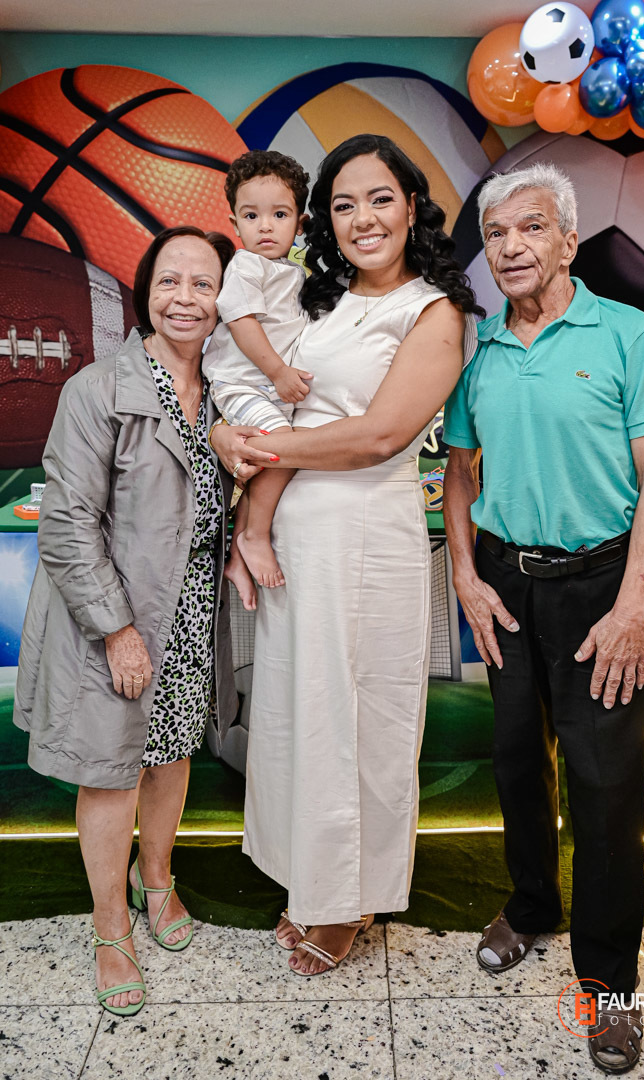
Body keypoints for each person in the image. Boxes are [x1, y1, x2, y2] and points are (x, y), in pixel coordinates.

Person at [211, 133, 481, 977]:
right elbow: (259, 383)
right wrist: (230, 438)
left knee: (361, 720)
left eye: (379, 198)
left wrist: (259, 446)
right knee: (299, 712)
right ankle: (309, 879)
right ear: (321, 221)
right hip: (297, 540)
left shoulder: (432, 311)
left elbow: (378, 436)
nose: (362, 217)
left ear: (411, 206)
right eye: (342, 204)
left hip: (367, 541)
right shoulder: (316, 300)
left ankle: (348, 900)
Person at [442, 163, 644, 1075]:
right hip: (506, 582)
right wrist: (465, 576)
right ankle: (532, 905)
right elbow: (458, 471)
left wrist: (631, 604)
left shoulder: (626, 335)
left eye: (530, 227)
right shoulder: (479, 350)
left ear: (569, 241)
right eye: (495, 234)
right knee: (515, 763)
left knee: (604, 784)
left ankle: (609, 986)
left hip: (600, 589)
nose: (510, 247)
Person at [13, 226, 240, 1017]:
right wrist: (117, 629)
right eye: (170, 281)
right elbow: (66, 523)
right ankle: (110, 925)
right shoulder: (99, 388)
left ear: (224, 299)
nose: (186, 298)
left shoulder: (225, 390)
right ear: (145, 291)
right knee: (111, 770)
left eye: (204, 284)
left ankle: (157, 881)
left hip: (191, 612)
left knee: (171, 753)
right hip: (116, 618)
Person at [203, 150, 313, 609]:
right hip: (244, 384)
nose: (265, 227)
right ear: (235, 223)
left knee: (271, 459)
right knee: (284, 449)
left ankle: (235, 553)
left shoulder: (292, 271)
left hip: (270, 388)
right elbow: (242, 322)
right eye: (251, 216)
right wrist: (279, 373)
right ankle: (254, 535)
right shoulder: (247, 266)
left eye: (279, 215)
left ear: (300, 223)